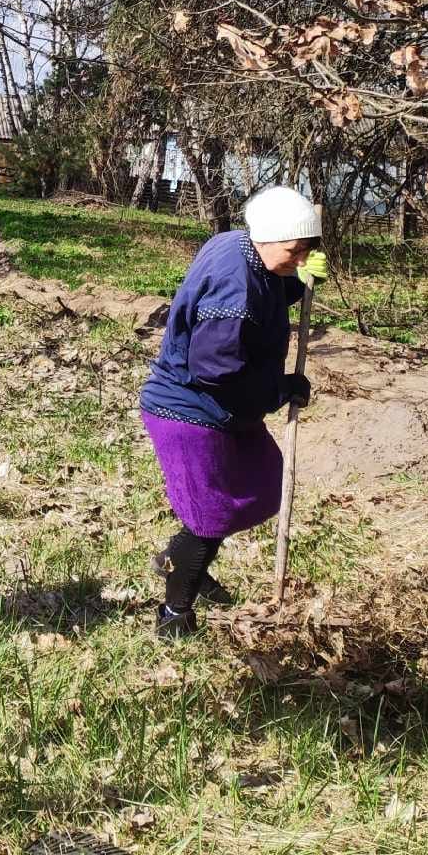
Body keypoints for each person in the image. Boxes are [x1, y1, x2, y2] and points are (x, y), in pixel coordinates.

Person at [140, 184, 328, 638]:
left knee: (266, 483)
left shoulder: (240, 245)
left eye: (308, 252)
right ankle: (175, 614)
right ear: (268, 237)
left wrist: (299, 283)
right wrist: (279, 389)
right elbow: (216, 371)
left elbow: (265, 291)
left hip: (226, 411)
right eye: (295, 252)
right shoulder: (233, 287)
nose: (301, 259)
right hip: (190, 410)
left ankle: (181, 556)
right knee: (209, 516)